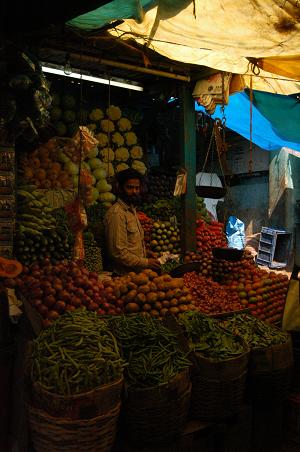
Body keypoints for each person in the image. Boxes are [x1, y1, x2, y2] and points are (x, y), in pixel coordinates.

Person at [104, 168, 160, 274]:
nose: (134, 192)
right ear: (120, 188)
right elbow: (118, 253)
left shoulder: (131, 210)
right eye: (129, 188)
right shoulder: (117, 214)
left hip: (137, 275)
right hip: (124, 276)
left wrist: (145, 253)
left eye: (137, 188)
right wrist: (146, 262)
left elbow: (129, 245)